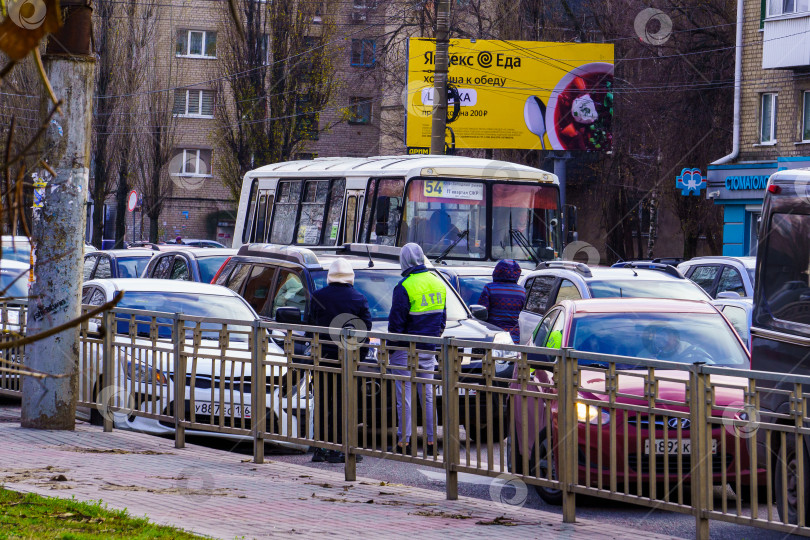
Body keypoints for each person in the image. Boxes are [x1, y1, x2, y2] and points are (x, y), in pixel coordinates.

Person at [308, 258, 372, 464]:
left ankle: (320, 448)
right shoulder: (358, 298)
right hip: (347, 359)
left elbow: (309, 327)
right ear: (350, 276)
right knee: (342, 403)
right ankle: (340, 449)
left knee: (322, 402)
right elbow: (365, 329)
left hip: (322, 357)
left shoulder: (318, 296)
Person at [388, 243, 446, 453]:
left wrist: (391, 349)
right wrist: (432, 338)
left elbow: (395, 325)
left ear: (403, 261)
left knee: (405, 398)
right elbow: (442, 321)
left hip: (405, 350)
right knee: (428, 396)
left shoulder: (404, 286)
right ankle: (432, 442)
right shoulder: (438, 283)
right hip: (429, 349)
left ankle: (404, 442)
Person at [478, 259, 525, 344]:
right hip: (513, 336)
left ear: (497, 271)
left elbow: (481, 312)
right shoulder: (522, 291)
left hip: (493, 334)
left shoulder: (489, 288)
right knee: (511, 356)